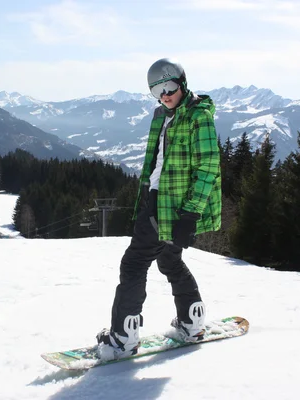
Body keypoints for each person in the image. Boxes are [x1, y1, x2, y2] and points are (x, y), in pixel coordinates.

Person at [96, 58, 222, 360]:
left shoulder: (198, 117)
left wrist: (190, 214)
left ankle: (123, 338)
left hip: (169, 207)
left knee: (134, 263)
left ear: (182, 82)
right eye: (157, 90)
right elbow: (157, 163)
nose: (164, 95)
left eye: (168, 86)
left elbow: (208, 168)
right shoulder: (162, 115)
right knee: (168, 260)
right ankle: (191, 322)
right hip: (156, 199)